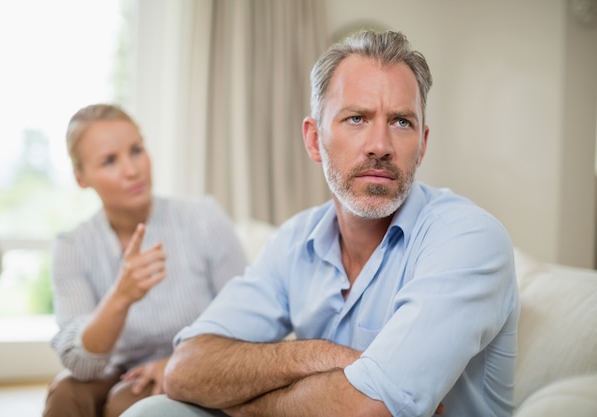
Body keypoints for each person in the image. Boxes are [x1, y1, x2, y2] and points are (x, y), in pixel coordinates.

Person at [121, 30, 519, 417]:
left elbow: (366, 409)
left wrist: (247, 405)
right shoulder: (296, 240)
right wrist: (320, 356)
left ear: (423, 145)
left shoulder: (467, 238)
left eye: (401, 122)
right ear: (314, 140)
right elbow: (185, 369)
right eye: (357, 118)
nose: (380, 145)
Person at [43, 104, 248, 417]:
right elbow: (79, 363)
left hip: (200, 362)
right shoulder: (72, 245)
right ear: (82, 178)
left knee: (127, 401)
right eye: (110, 161)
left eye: (136, 150)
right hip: (118, 368)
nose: (132, 169)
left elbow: (249, 318)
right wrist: (121, 296)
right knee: (65, 393)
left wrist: (181, 364)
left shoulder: (203, 219)